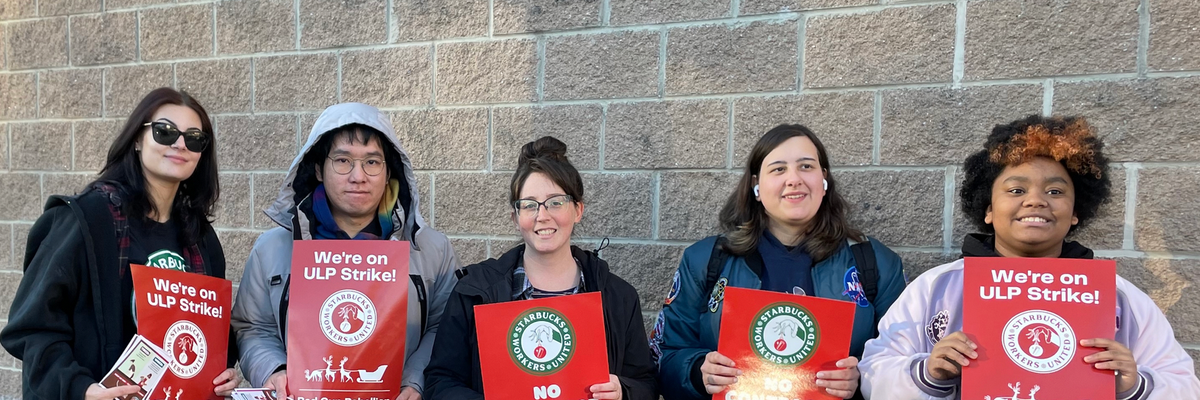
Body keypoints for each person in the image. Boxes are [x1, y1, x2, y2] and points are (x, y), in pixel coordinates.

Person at [858, 115, 1200, 399]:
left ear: (1076, 211)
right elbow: (874, 372)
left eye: (1054, 191)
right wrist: (927, 373)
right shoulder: (937, 287)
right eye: (1016, 190)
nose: (1036, 201)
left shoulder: (1119, 298)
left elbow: (1184, 385)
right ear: (989, 210)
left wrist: (1134, 385)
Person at [1, 87, 239, 399]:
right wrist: (83, 390)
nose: (180, 144)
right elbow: (33, 328)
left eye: (195, 138)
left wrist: (225, 371)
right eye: (165, 132)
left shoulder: (201, 239)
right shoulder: (84, 220)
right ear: (138, 140)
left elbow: (210, 332)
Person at [650, 124, 907, 400]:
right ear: (756, 185)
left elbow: (905, 362)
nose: (794, 179)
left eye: (806, 167)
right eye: (778, 169)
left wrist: (861, 381)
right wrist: (698, 371)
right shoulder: (705, 260)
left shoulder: (874, 263)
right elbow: (661, 356)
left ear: (824, 180)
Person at [231, 102, 459, 400]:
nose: (358, 176)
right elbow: (253, 326)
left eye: (372, 162)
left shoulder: (431, 249)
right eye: (342, 160)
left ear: (389, 170)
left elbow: (444, 327)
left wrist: (415, 381)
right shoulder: (273, 249)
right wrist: (274, 370)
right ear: (318, 169)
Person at [423, 136, 658, 400]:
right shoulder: (474, 292)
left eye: (556, 202)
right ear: (516, 217)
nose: (542, 215)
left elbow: (646, 383)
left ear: (578, 210)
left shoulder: (618, 297)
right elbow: (440, 382)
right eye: (529, 205)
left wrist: (622, 392)